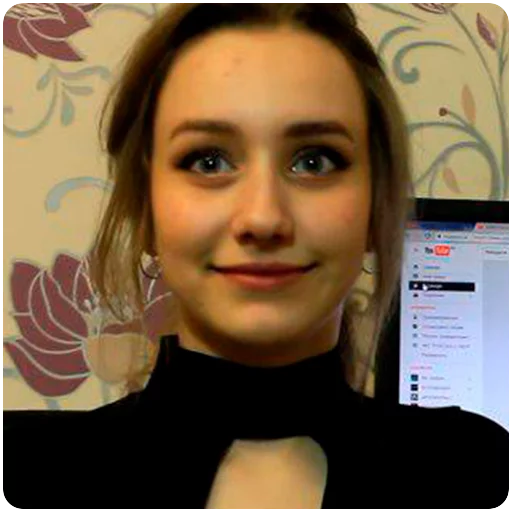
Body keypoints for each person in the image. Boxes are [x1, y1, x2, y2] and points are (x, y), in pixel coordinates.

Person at [3, 4, 508, 509]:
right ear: (146, 206)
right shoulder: (19, 466)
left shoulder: (479, 468)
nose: (263, 218)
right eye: (208, 160)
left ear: (376, 206)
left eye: (315, 161)